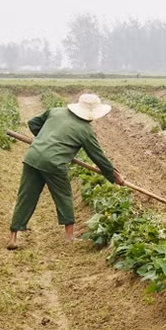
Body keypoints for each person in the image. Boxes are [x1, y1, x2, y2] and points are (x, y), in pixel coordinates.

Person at [7, 93, 124, 250]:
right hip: (54, 163)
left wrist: (43, 139)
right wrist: (114, 175)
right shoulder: (86, 131)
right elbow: (98, 157)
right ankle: (69, 237)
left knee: (26, 196)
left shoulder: (55, 111)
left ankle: (13, 236)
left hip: (32, 156)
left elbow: (33, 123)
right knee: (63, 196)